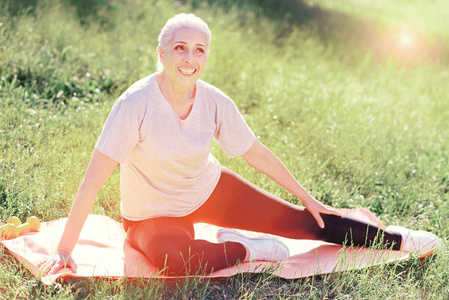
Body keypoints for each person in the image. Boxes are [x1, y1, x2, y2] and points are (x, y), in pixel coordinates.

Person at [40, 13, 442, 276]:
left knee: (307, 223)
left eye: (199, 49)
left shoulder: (214, 101)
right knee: (175, 263)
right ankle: (245, 250)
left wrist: (306, 196)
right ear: (161, 53)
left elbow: (255, 152)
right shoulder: (134, 105)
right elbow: (93, 180)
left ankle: (400, 239)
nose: (189, 58)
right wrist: (64, 249)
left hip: (210, 191)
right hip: (151, 216)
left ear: (207, 56)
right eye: (179, 47)